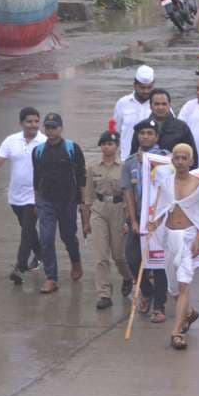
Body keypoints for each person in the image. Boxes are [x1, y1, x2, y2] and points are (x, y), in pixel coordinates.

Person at [148, 143, 199, 350]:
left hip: (189, 238)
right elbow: (162, 208)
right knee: (174, 286)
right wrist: (154, 223)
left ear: (191, 161)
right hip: (170, 236)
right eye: (177, 158)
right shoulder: (166, 182)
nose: (180, 162)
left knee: (183, 284)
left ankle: (176, 332)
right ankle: (189, 313)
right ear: (172, 160)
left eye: (184, 158)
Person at [0, 106, 46, 284]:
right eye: (29, 121)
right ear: (21, 123)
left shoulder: (44, 142)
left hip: (35, 195)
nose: (33, 125)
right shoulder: (11, 140)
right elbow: (0, 159)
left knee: (27, 231)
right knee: (27, 230)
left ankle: (20, 267)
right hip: (15, 196)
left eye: (36, 121)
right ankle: (42, 254)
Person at [32, 113, 87, 294]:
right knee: (46, 239)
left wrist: (82, 202)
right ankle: (51, 278)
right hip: (46, 201)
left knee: (68, 236)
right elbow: (36, 178)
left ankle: (75, 261)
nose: (50, 131)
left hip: (67, 201)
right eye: (47, 127)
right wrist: (36, 201)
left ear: (61, 128)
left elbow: (81, 177)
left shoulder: (72, 148)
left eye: (54, 127)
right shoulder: (38, 151)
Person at [122, 119, 169, 323]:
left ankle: (159, 306)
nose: (146, 136)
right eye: (142, 133)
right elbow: (128, 193)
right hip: (139, 218)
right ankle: (146, 290)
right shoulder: (130, 162)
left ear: (156, 137)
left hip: (159, 218)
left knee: (158, 262)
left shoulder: (166, 159)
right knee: (132, 258)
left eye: (150, 133)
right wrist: (132, 220)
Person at [84, 131, 131, 310]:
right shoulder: (93, 167)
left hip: (119, 209)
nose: (107, 147)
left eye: (110, 144)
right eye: (104, 144)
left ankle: (127, 277)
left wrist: (128, 219)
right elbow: (88, 196)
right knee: (101, 256)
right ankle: (104, 293)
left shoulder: (124, 167)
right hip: (99, 209)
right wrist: (86, 221)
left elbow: (128, 195)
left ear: (117, 146)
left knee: (119, 255)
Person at [130, 89, 198, 167]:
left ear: (169, 105)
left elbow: (192, 157)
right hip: (145, 174)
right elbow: (133, 156)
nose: (160, 107)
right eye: (157, 104)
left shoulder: (182, 127)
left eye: (164, 104)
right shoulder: (142, 128)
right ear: (150, 106)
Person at [113, 65, 155, 156]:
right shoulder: (122, 103)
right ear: (135, 85)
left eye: (149, 87)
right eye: (142, 88)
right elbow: (115, 132)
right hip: (126, 159)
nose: (146, 91)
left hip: (152, 160)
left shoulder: (159, 104)